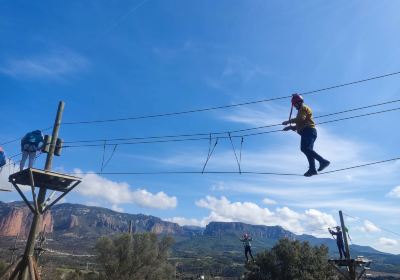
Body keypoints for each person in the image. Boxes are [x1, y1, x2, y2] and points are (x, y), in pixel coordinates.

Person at [282, 94, 330, 177]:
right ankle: (312, 169)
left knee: (306, 148)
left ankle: (323, 161)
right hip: (306, 132)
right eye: (294, 105)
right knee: (306, 149)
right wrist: (290, 127)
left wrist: (288, 121)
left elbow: (301, 119)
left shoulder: (303, 108)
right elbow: (299, 124)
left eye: (296, 104)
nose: (295, 107)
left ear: (299, 102)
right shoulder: (300, 111)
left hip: (309, 131)